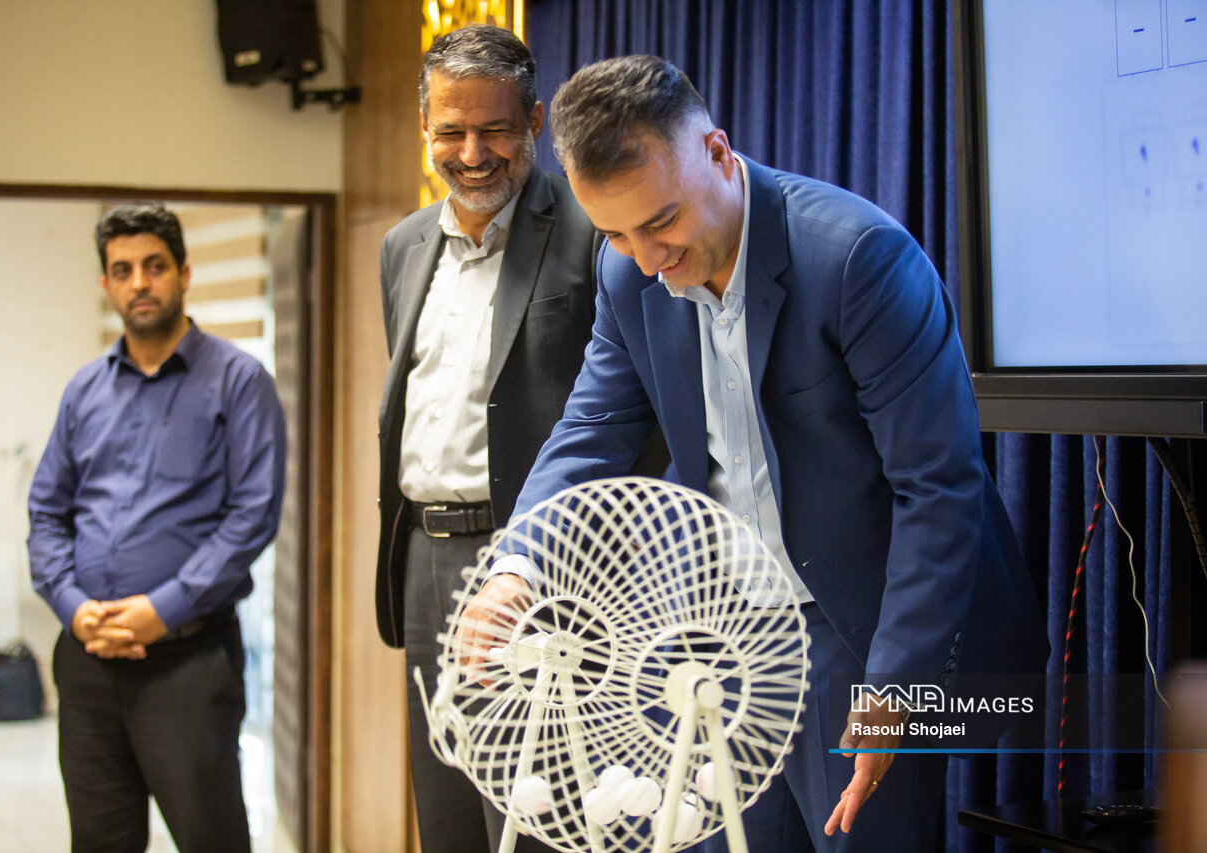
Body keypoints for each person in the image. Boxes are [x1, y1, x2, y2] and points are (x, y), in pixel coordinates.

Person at [458, 55, 1048, 852]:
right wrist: (516, 566)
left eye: (661, 222)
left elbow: (938, 488)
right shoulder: (627, 275)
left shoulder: (856, 258)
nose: (647, 258)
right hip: (727, 632)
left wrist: (894, 690)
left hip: (865, 626)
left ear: (717, 153)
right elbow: (589, 430)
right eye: (616, 233)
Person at [374, 24, 614, 853]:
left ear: (536, 121)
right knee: (444, 819)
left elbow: (631, 415)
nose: (472, 154)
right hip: (421, 559)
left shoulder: (594, 232)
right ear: (425, 128)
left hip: (538, 566)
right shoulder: (402, 247)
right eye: (451, 131)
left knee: (537, 822)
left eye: (495, 130)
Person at [27, 202, 286, 853]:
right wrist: (73, 605)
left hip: (187, 665)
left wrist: (161, 610)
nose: (139, 282)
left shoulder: (238, 381)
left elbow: (253, 514)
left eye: (154, 266)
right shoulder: (84, 391)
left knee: (210, 839)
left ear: (184, 273)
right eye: (123, 270)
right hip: (87, 662)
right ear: (106, 284)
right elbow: (47, 513)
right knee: (99, 840)